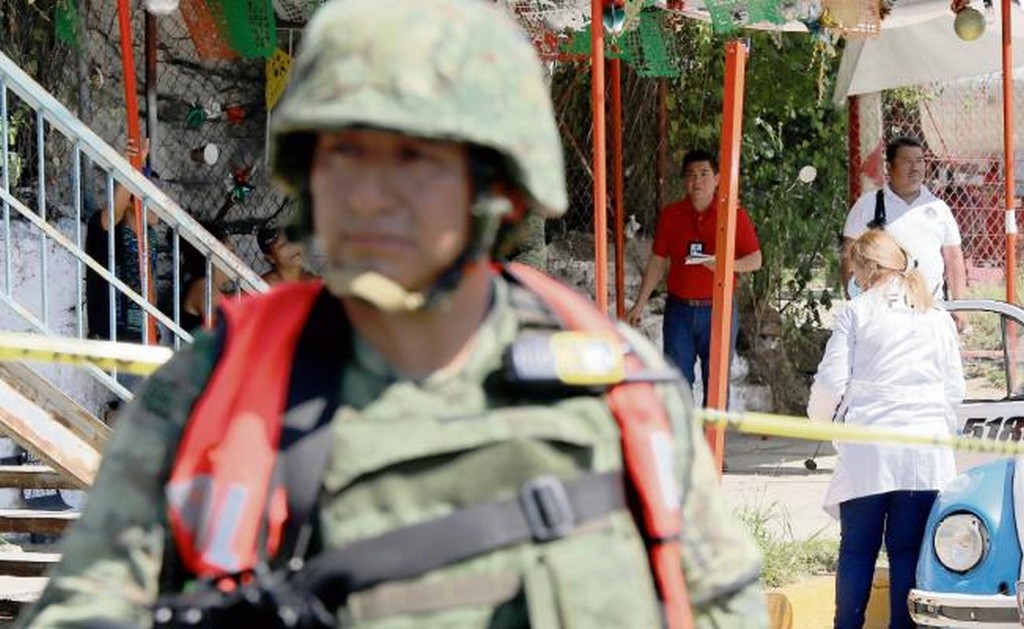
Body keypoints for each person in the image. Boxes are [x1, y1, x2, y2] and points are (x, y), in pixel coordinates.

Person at [20, 1, 767, 627]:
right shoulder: (216, 391)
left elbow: (720, 605)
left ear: (499, 192)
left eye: (413, 159)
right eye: (342, 154)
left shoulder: (617, 399)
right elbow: (87, 602)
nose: (369, 195)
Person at [808, 229, 964, 629]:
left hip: (869, 447)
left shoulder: (856, 311)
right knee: (907, 552)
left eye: (855, 270)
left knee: (857, 551)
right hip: (925, 450)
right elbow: (954, 391)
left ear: (866, 268)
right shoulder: (937, 316)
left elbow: (830, 383)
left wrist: (822, 423)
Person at [626, 149, 762, 406]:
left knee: (716, 385)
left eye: (704, 174)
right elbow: (657, 261)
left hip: (718, 310)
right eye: (690, 175)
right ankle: (684, 432)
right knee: (677, 383)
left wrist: (725, 266)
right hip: (679, 310)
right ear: (683, 180)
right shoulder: (672, 215)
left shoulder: (733, 214)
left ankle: (712, 434)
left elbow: (755, 260)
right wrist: (639, 304)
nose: (697, 181)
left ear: (717, 178)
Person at [841, 136, 967, 329]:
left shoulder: (939, 208)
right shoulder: (867, 205)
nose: (915, 168)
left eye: (919, 161)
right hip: (882, 315)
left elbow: (954, 259)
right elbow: (848, 255)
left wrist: (960, 307)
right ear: (888, 167)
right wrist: (856, 302)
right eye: (907, 161)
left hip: (931, 310)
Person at [85, 138, 159, 344]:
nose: (158, 202)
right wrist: (131, 168)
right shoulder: (108, 230)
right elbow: (114, 212)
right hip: (113, 340)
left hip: (143, 339)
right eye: (149, 194)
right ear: (129, 202)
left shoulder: (150, 237)